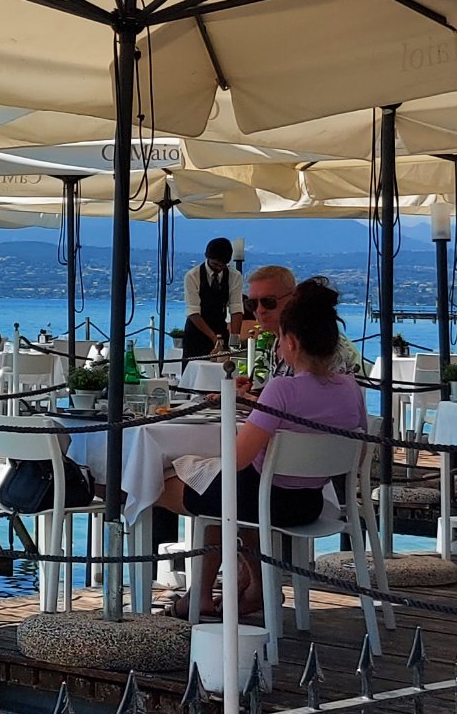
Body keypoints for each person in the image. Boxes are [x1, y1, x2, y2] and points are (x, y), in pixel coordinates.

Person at [155, 281, 364, 618]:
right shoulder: (350, 389)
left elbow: (237, 459)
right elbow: (358, 449)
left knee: (161, 484)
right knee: (228, 494)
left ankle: (200, 596)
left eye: (281, 340)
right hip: (311, 505)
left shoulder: (283, 390)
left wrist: (231, 411)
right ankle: (250, 588)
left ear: (291, 342)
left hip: (267, 504)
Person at [180, 237, 236, 360]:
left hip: (220, 330)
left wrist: (234, 339)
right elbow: (193, 312)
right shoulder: (192, 276)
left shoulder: (234, 276)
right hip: (195, 334)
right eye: (215, 264)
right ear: (207, 257)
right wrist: (214, 338)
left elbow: (236, 308)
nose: (218, 268)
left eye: (223, 265)